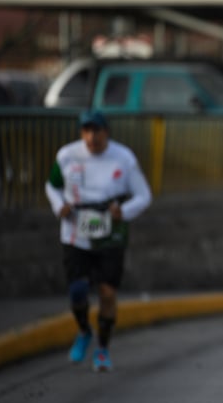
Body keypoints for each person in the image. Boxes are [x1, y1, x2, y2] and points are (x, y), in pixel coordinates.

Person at [45, 110, 152, 372]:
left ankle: (102, 348)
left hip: (110, 233)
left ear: (107, 131)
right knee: (77, 291)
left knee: (107, 292)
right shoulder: (67, 155)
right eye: (86, 131)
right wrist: (59, 205)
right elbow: (52, 185)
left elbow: (144, 195)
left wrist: (123, 212)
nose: (91, 137)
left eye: (97, 131)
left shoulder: (124, 158)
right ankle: (84, 330)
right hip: (75, 231)